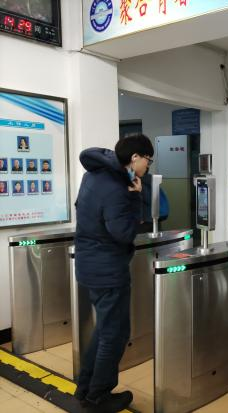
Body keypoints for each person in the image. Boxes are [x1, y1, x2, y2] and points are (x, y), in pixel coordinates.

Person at [74, 134, 154, 413]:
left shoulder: (93, 176)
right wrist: (136, 197)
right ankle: (98, 396)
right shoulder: (118, 187)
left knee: (104, 330)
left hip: (90, 265)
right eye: (148, 160)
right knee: (115, 334)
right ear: (135, 158)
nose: (147, 166)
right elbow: (124, 232)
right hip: (108, 270)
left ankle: (85, 387)